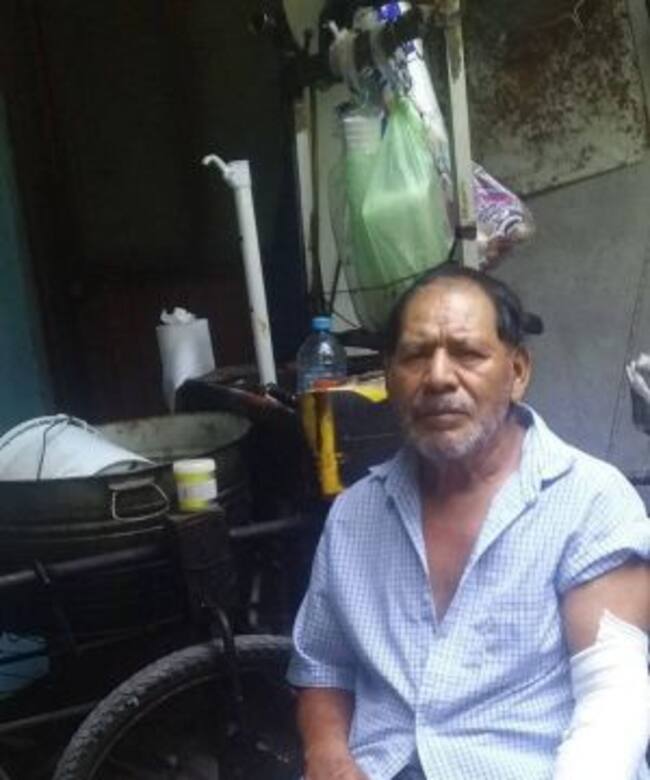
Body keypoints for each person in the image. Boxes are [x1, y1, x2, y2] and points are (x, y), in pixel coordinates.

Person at [288, 264, 650, 780]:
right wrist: (327, 754)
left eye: (467, 353)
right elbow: (324, 664)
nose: (438, 377)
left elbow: (612, 701)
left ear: (517, 372)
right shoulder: (355, 515)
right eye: (415, 355)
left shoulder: (589, 501)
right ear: (388, 377)